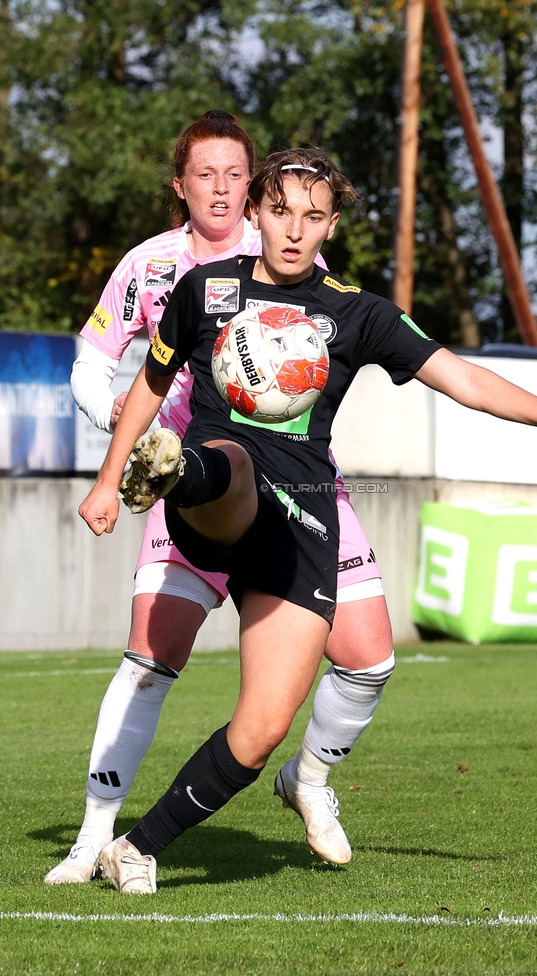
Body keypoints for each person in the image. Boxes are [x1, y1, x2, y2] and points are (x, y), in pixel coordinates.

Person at [78, 148, 537, 894]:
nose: (294, 230)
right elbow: (149, 380)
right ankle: (173, 469)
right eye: (280, 212)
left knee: (262, 730)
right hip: (220, 490)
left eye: (313, 216)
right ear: (256, 213)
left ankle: (137, 847)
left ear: (331, 222)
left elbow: (460, 377)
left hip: (305, 520)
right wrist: (110, 480)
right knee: (232, 462)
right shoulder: (205, 290)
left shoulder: (357, 311)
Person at [44, 116, 395, 885]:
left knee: (369, 657)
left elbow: (320, 363)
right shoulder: (149, 267)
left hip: (297, 483)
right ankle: (93, 838)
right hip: (184, 481)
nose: (224, 190)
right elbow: (94, 358)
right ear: (181, 184)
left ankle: (310, 780)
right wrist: (120, 441)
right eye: (206, 174)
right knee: (150, 655)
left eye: (237, 175)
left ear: (258, 187)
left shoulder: (286, 249)